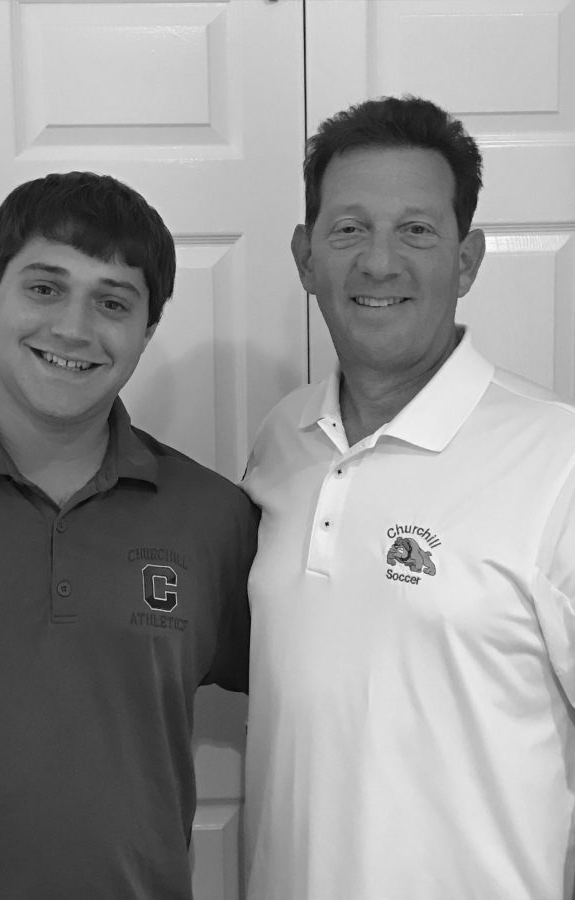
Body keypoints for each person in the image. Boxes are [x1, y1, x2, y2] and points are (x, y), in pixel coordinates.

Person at [242, 96, 575, 900]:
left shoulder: (558, 460)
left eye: (416, 230)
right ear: (304, 256)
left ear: (466, 260)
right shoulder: (282, 441)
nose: (379, 262)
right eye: (348, 229)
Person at [0, 171, 257, 899]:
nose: (72, 328)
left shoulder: (211, 516)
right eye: (43, 287)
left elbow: (324, 694)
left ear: (147, 329)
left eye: (112, 302)